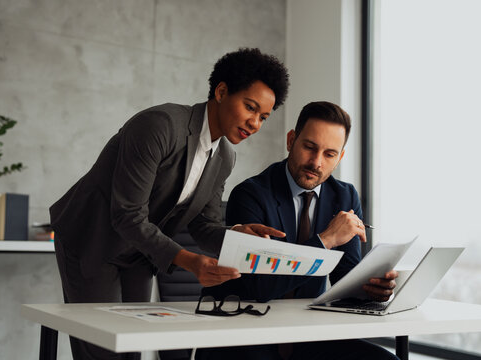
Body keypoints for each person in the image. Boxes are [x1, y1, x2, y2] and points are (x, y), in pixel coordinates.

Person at [49, 48, 289, 360]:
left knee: (131, 349)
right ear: (221, 91)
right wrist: (190, 261)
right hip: (93, 238)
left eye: (263, 117)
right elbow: (128, 214)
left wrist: (236, 234)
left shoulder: (225, 157)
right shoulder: (159, 125)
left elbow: (204, 227)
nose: (255, 123)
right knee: (103, 351)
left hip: (139, 252)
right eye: (250, 108)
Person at [197, 101, 399, 360]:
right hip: (244, 333)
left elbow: (344, 279)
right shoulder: (250, 195)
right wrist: (325, 240)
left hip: (306, 335)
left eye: (329, 154)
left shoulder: (345, 196)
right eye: (309, 147)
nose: (316, 162)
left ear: (340, 157)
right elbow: (260, 287)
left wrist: (371, 288)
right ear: (291, 140)